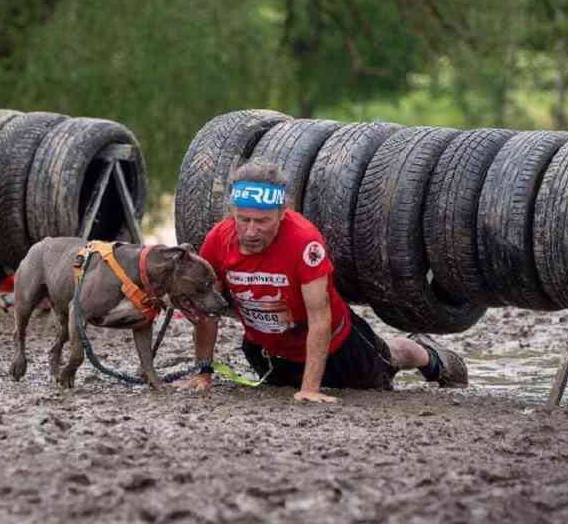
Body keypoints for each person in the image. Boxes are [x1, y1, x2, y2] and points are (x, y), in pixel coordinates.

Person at [176, 160, 468, 403]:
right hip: (270, 350)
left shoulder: (304, 241)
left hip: (337, 346)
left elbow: (320, 317)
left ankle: (425, 352)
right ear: (233, 213)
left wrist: (310, 389)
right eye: (243, 219)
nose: (251, 231)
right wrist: (203, 371)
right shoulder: (218, 239)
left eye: (262, 221)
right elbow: (207, 311)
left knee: (387, 363)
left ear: (282, 213)